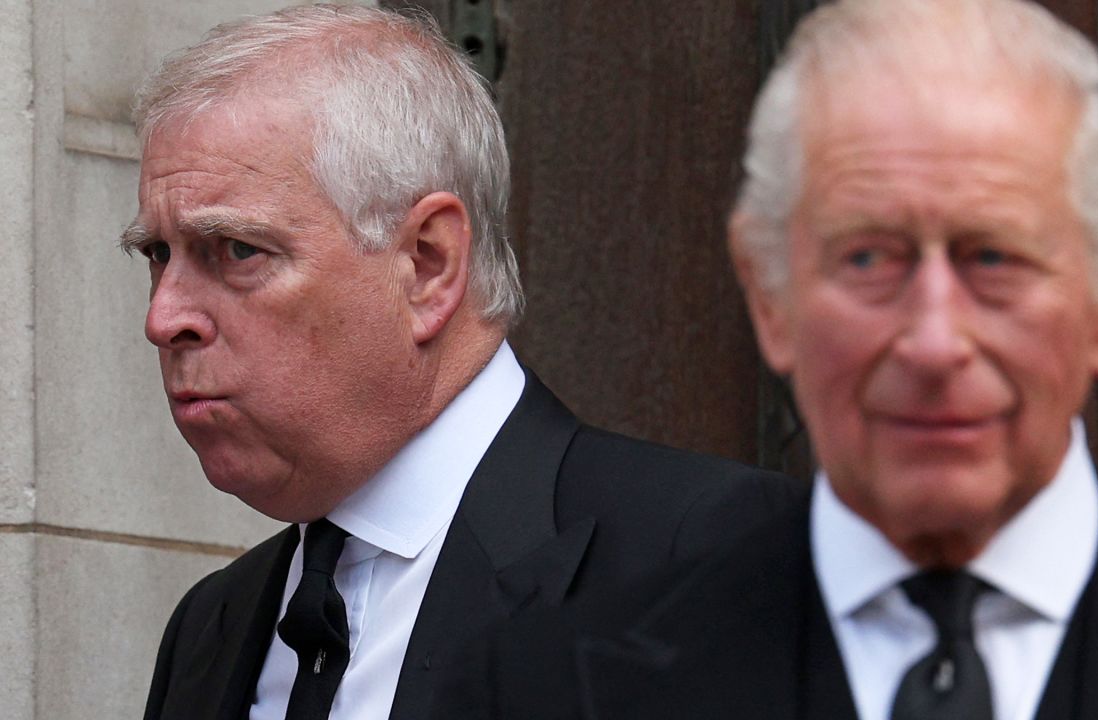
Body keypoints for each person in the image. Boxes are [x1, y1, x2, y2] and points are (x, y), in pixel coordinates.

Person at [433, 1, 1098, 718]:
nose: (934, 343)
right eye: (868, 259)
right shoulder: (545, 692)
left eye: (995, 258)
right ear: (770, 296)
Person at [125, 6, 798, 719]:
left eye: (237, 250)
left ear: (428, 264)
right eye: (159, 254)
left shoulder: (708, 555)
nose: (163, 319)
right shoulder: (211, 627)